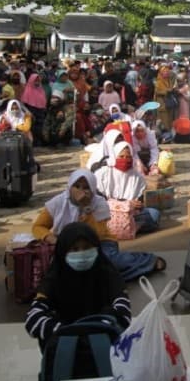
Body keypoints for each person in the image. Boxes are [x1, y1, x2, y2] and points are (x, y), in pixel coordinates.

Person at [32, 169, 165, 281]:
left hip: (100, 243)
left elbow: (97, 234)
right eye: (77, 186)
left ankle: (147, 261)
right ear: (69, 187)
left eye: (86, 187)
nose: (81, 191)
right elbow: (38, 227)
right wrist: (53, 239)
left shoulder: (99, 203)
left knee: (106, 263)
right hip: (67, 245)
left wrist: (85, 208)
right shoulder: (58, 203)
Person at [25, 222, 131, 350]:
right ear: (63, 252)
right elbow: (33, 318)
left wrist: (100, 327)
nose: (81, 253)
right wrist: (68, 332)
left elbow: (123, 311)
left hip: (103, 348)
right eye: (74, 249)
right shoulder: (54, 278)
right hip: (63, 350)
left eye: (87, 247)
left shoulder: (107, 274)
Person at [95, 142, 160, 234]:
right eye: (121, 157)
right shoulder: (102, 174)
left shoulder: (137, 177)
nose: (125, 160)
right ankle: (126, 228)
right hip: (107, 213)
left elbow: (138, 204)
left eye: (128, 157)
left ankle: (118, 228)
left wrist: (137, 206)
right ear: (114, 156)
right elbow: (99, 202)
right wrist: (125, 204)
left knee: (154, 214)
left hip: (129, 214)